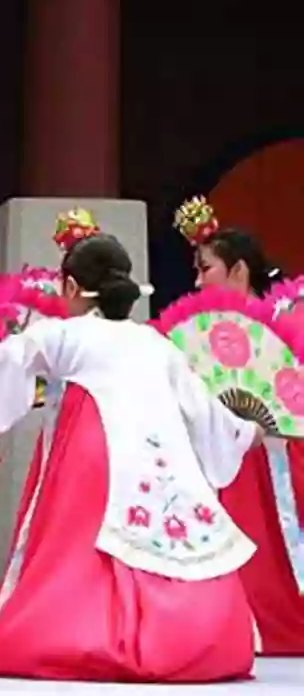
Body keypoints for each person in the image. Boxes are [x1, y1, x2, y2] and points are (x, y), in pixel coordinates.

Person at [0, 225, 261, 682]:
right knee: (164, 531)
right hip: (166, 464)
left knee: (81, 558)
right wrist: (250, 428)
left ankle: (92, 639)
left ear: (71, 287)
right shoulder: (157, 343)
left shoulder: (66, 333)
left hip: (92, 458)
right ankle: (193, 641)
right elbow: (210, 418)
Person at [175, 196, 304, 655]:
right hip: (218, 455)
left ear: (238, 271)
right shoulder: (198, 330)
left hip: (271, 460)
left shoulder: (282, 323)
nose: (196, 280)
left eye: (205, 268)